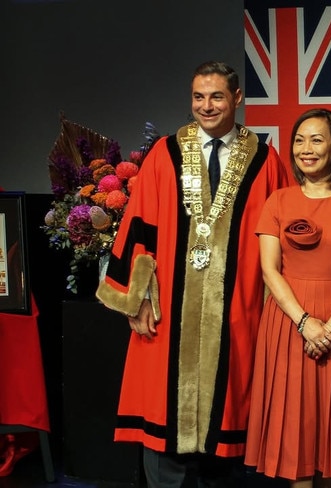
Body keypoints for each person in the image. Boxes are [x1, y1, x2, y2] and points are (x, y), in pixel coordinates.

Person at [96, 60, 289, 487]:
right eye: (199, 97)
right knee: (164, 432)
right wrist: (138, 297)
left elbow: (282, 236)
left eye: (217, 96)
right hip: (170, 314)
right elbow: (140, 225)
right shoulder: (165, 152)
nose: (207, 106)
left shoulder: (265, 158)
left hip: (238, 310)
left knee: (229, 433)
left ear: (237, 98)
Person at [244, 108, 331, 487]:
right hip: (288, 324)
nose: (307, 148)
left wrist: (330, 329)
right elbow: (270, 271)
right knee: (296, 439)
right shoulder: (278, 201)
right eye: (300, 140)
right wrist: (305, 322)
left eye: (317, 139)